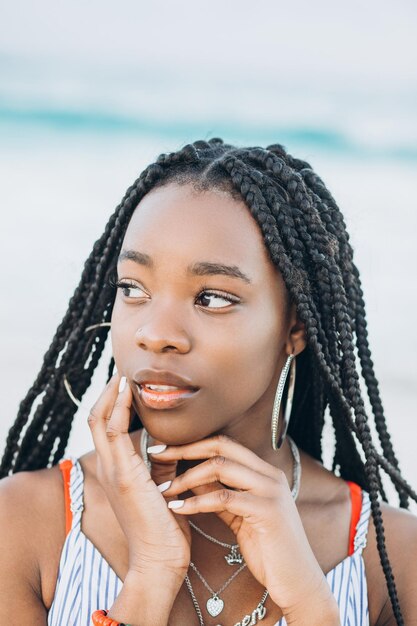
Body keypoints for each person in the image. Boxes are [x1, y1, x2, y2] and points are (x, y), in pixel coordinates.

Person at [0, 139, 416, 626]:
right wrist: (151, 574)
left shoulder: (393, 561)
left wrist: (307, 601)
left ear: (296, 326)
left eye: (213, 298)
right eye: (133, 289)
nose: (155, 334)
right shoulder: (23, 522)